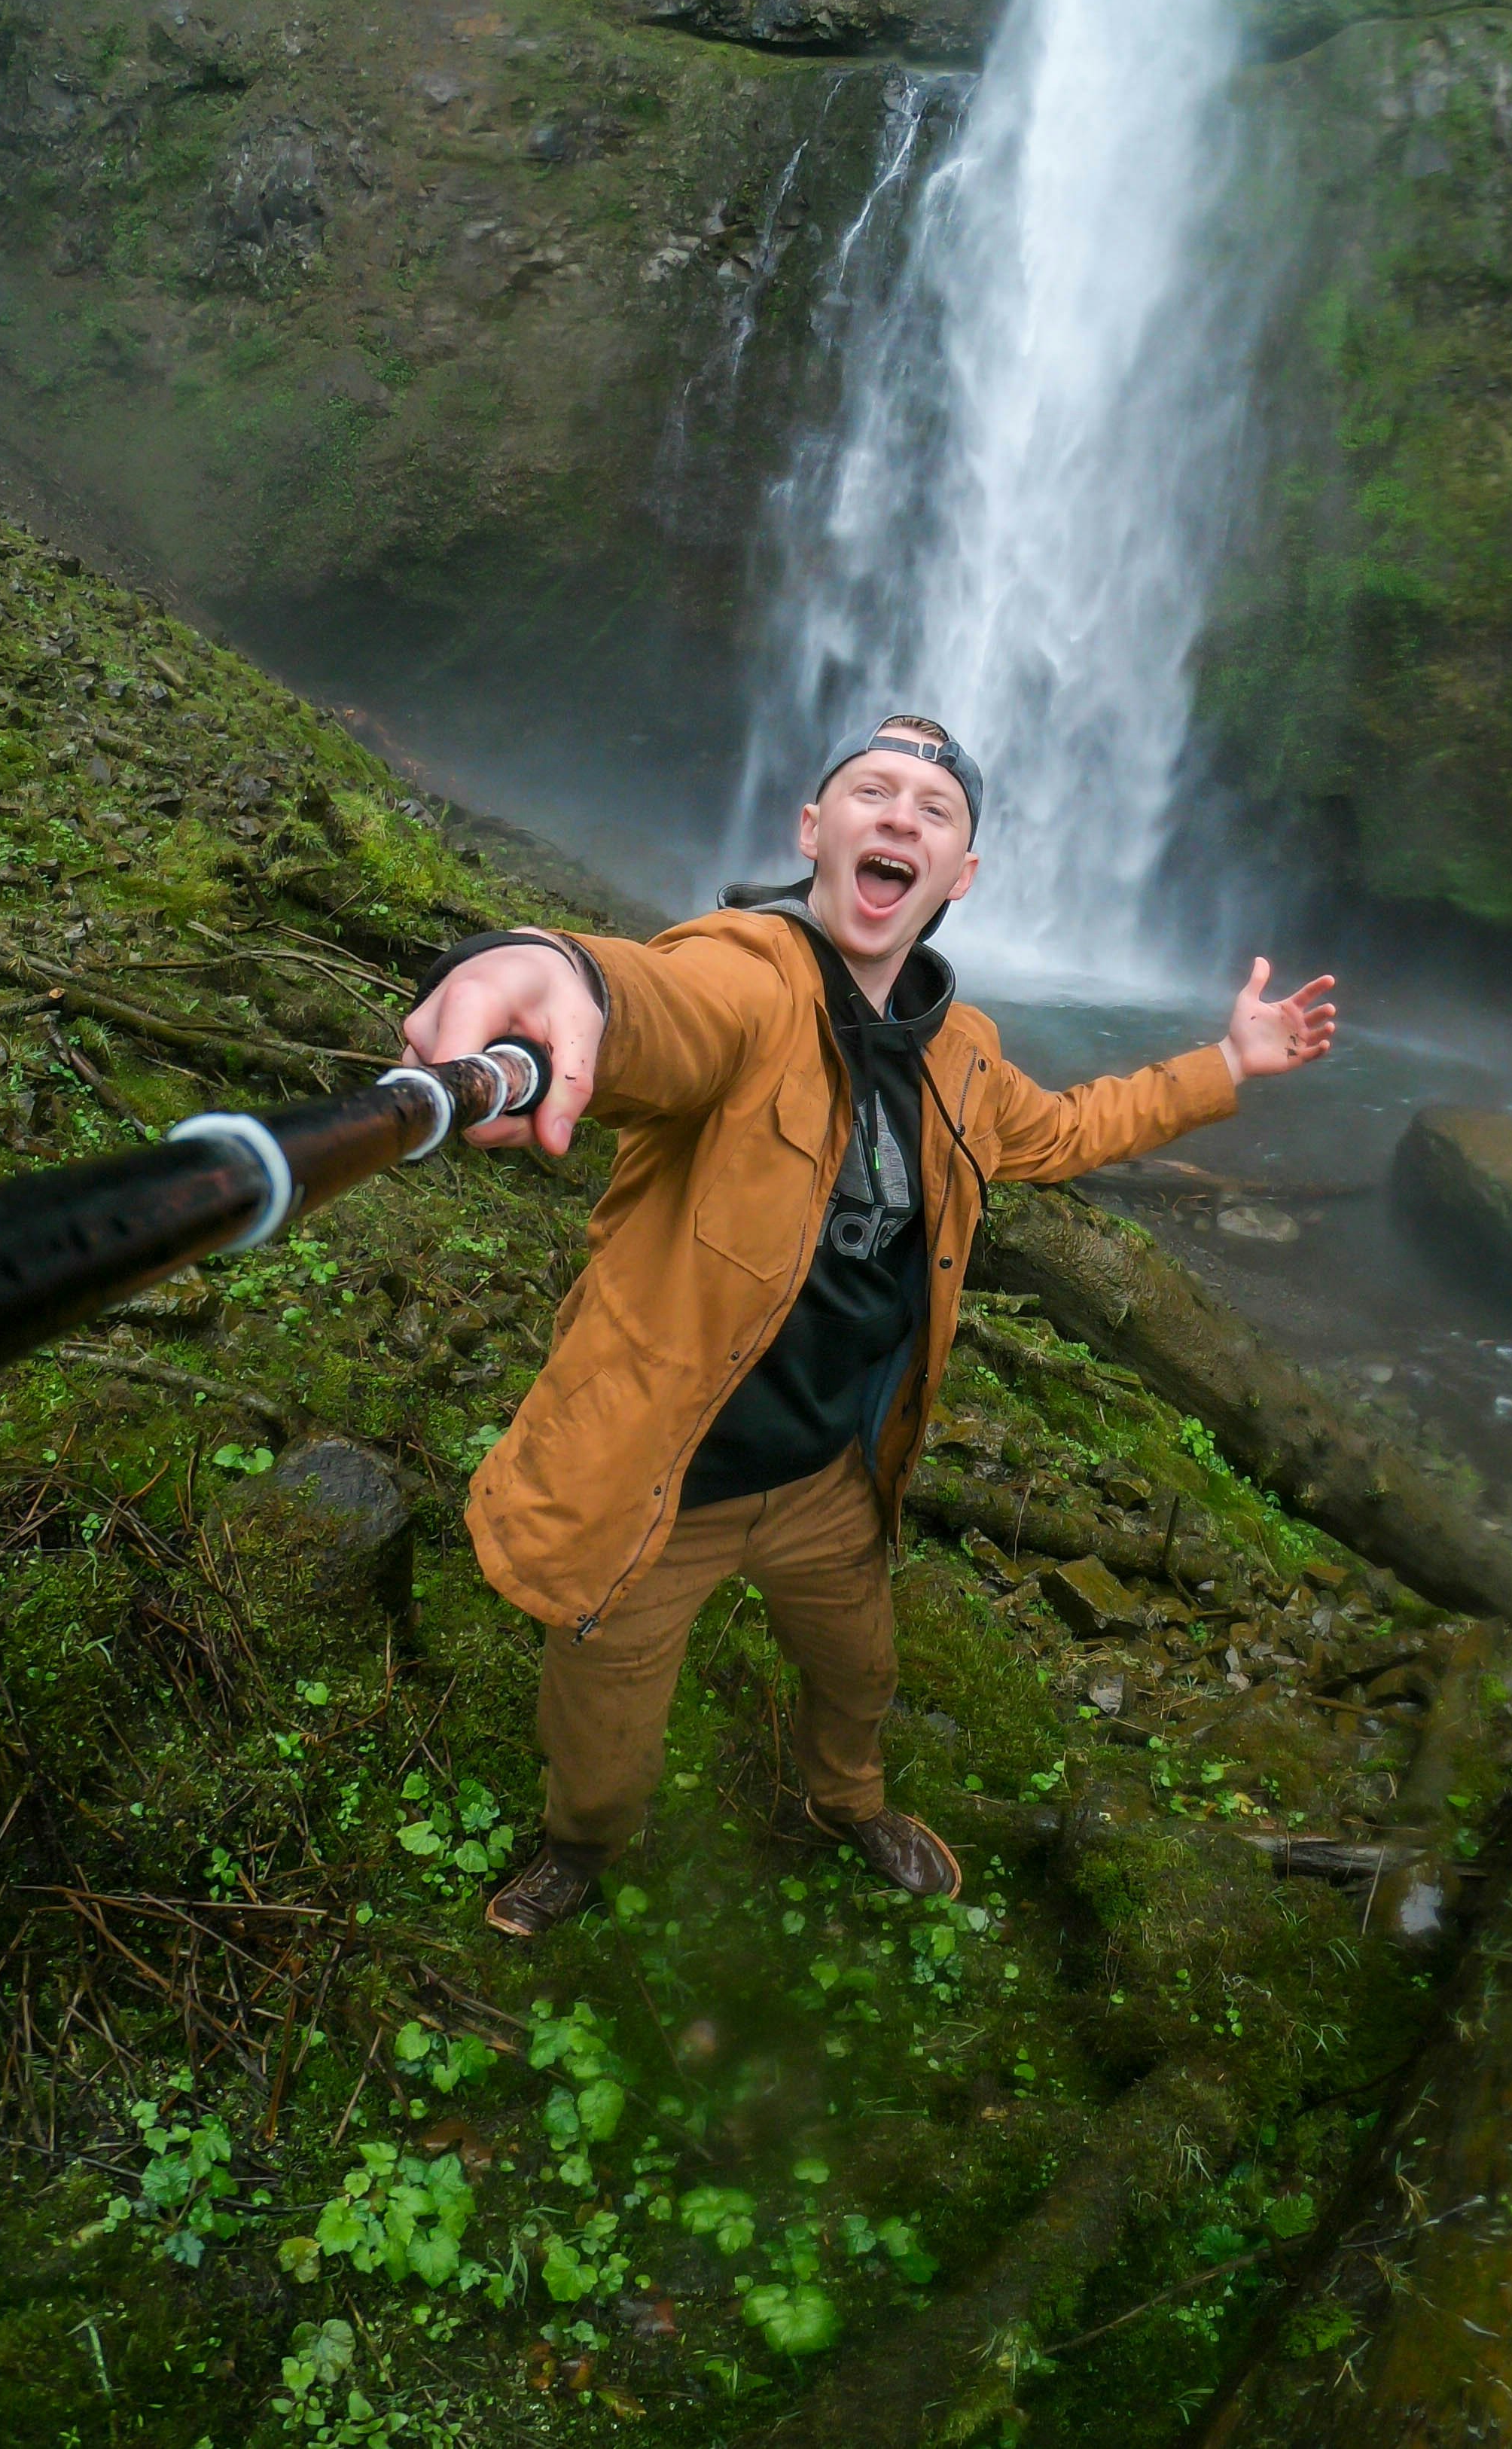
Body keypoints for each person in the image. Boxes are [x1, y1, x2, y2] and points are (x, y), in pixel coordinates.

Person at [401, 715, 1337, 1935]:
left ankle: (850, 1802)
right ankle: (579, 1844)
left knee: (861, 1676)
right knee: (606, 1734)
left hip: (833, 1474)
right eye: (870, 792)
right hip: (660, 1481)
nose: (900, 817)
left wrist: (1226, 1062)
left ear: (962, 876)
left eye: (935, 812)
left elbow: (1062, 1131)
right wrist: (544, 971)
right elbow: (656, 1001)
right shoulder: (751, 978)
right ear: (814, 831)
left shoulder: (964, 1053)